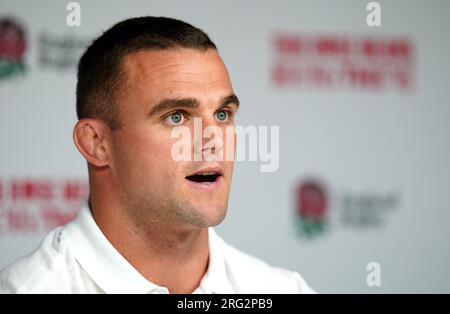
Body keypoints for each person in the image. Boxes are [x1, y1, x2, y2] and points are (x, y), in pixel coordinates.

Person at [0, 16, 314, 294]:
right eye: (176, 116)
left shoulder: (282, 289)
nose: (215, 139)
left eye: (222, 114)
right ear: (96, 143)